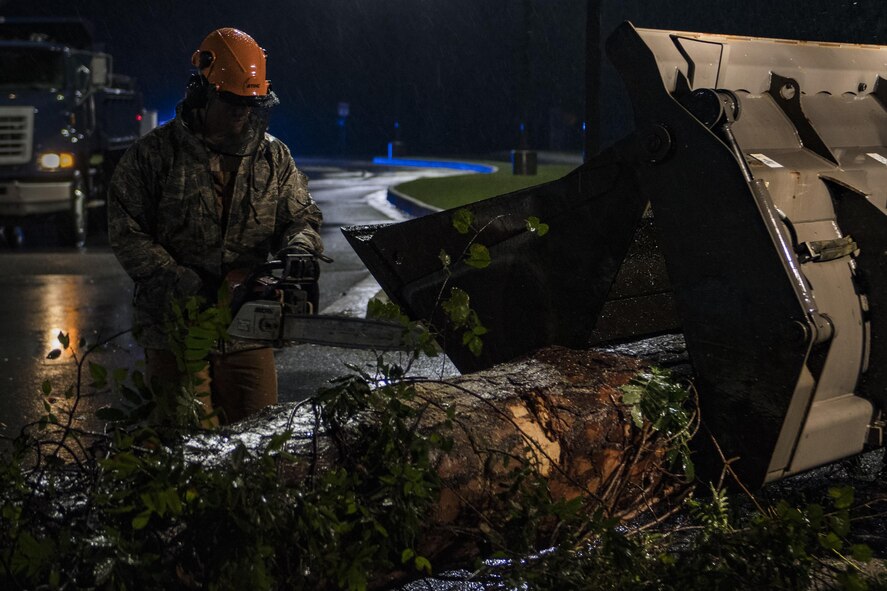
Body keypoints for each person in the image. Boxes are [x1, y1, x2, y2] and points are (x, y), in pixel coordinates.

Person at [108, 27, 323, 426]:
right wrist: (191, 285)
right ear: (202, 93)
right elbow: (126, 230)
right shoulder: (154, 155)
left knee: (258, 439)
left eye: (251, 105)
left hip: (247, 331)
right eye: (233, 104)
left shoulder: (272, 156)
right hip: (175, 329)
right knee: (186, 447)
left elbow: (301, 216)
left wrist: (300, 248)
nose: (243, 114)